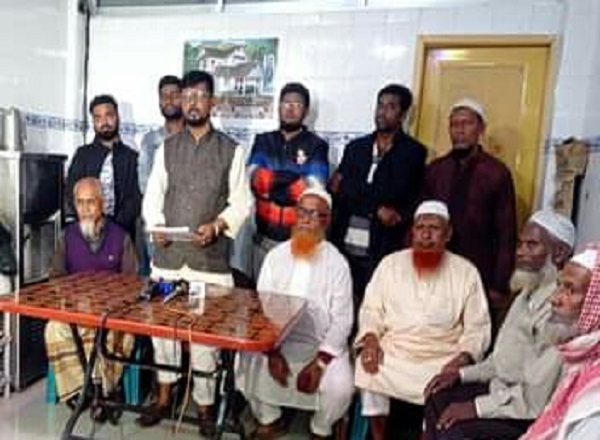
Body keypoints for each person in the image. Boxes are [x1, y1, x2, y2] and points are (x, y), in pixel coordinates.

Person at [140, 70, 250, 436]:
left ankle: (205, 407)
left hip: (208, 265)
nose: (192, 103)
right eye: (187, 97)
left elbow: (241, 203)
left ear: (212, 102)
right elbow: (153, 194)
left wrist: (218, 225)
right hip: (168, 263)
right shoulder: (167, 148)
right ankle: (164, 397)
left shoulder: (231, 150)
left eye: (200, 97)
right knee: (162, 333)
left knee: (204, 341)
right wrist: (156, 226)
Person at [423, 210, 576, 440]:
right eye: (520, 244)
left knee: (455, 431)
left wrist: (476, 407)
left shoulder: (559, 309)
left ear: (559, 253)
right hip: (501, 392)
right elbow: (500, 361)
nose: (520, 252)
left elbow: (534, 398)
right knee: (438, 396)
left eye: (531, 245)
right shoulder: (527, 294)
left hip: (526, 413)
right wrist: (461, 375)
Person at [354, 200, 491, 440]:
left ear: (448, 234)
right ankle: (378, 435)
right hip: (395, 350)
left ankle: (428, 434)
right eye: (420, 228)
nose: (426, 236)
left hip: (441, 355)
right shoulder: (390, 264)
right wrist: (371, 340)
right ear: (412, 232)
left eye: (434, 229)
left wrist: (462, 358)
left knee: (445, 384)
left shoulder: (466, 272)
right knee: (368, 368)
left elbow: (477, 326)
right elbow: (371, 310)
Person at [236, 188, 353, 440]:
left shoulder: (337, 264)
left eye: (314, 214)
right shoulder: (275, 256)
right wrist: (272, 352)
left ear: (326, 220)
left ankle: (321, 428)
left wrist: (320, 362)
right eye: (302, 212)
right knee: (244, 361)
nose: (306, 220)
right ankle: (270, 419)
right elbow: (262, 308)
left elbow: (343, 320)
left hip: (321, 346)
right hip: (279, 342)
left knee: (341, 386)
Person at [44, 177, 137, 418]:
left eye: (91, 202)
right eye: (80, 202)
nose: (85, 209)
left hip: (112, 312)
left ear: (102, 204)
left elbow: (133, 284)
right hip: (76, 310)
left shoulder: (121, 236)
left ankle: (102, 388)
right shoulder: (66, 236)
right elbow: (55, 278)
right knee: (54, 328)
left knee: (118, 333)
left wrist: (110, 302)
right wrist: (73, 299)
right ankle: (81, 390)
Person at [329, 84, 427, 305]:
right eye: (380, 105)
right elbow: (336, 190)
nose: (382, 112)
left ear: (403, 114)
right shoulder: (356, 148)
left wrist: (352, 188)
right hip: (344, 243)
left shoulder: (413, 152)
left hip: (382, 247)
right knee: (340, 305)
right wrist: (376, 207)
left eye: (391, 107)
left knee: (374, 308)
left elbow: (400, 193)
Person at [422, 98, 517, 322]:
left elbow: (507, 232)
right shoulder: (435, 170)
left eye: (467, 123)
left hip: (479, 269)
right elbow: (420, 223)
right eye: (454, 124)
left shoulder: (496, 173)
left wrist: (499, 284)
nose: (460, 130)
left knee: (473, 327)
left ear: (481, 128)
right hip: (437, 267)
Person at [248, 82, 329, 279]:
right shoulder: (263, 141)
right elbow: (252, 178)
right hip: (263, 238)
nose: (290, 109)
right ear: (278, 106)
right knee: (260, 294)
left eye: (297, 104)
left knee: (294, 294)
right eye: (286, 103)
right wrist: (292, 181)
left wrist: (271, 184)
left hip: (300, 239)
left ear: (306, 111)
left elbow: (313, 188)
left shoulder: (317, 145)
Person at [521, 245, 600, 440]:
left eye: (570, 290)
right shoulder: (581, 357)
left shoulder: (595, 393)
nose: (554, 298)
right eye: (559, 286)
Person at [66, 95, 141, 238]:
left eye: (109, 115)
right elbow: (72, 192)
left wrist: (115, 228)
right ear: (93, 122)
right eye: (98, 118)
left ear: (117, 117)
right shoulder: (82, 155)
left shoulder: (132, 157)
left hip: (122, 233)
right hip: (87, 230)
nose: (104, 122)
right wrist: (91, 220)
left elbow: (136, 198)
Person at [137, 75, 185, 275]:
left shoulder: (195, 138)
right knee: (158, 278)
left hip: (189, 223)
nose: (169, 100)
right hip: (158, 224)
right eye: (164, 96)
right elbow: (145, 185)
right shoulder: (150, 141)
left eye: (174, 95)